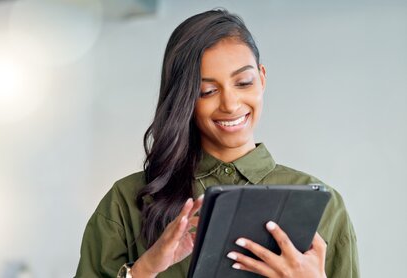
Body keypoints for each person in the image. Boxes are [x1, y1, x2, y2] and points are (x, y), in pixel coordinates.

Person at [75, 9, 359, 278]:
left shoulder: (325, 206)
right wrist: (144, 269)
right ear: (184, 99)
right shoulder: (128, 201)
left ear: (261, 78)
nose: (230, 104)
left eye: (244, 82)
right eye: (207, 91)